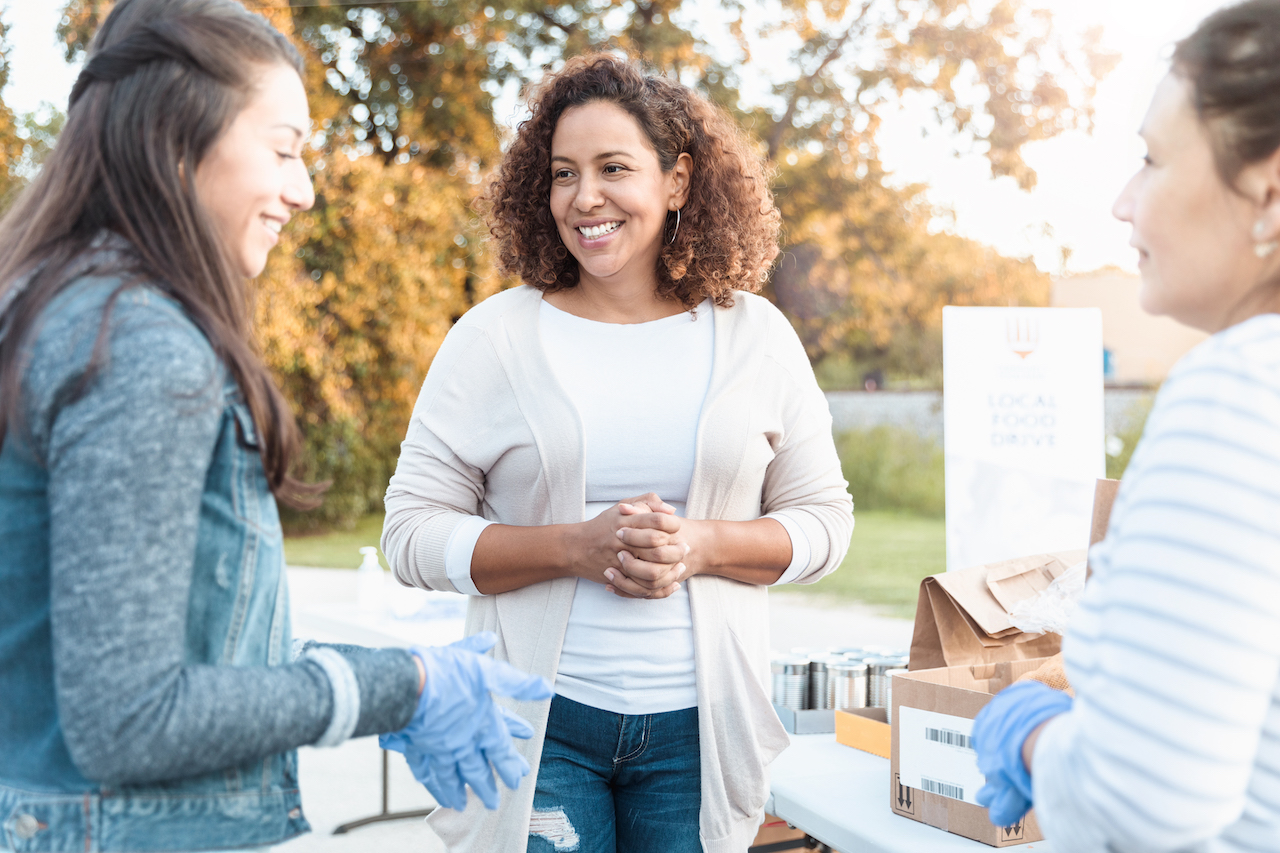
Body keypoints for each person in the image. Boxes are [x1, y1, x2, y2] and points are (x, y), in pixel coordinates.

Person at [0, 1, 549, 850]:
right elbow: (128, 715)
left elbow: (172, 635)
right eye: (285, 149)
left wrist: (374, 679)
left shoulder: (50, 307)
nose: (305, 190)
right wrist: (398, 684)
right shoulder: (138, 344)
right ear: (178, 138)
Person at [382, 54, 854, 852]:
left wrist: (699, 545)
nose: (584, 197)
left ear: (677, 181)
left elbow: (825, 524)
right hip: (540, 729)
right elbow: (410, 533)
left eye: (613, 168)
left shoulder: (755, 337)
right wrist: (573, 547)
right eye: (564, 173)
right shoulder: (494, 339)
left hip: (699, 738)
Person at [971, 2, 1280, 850]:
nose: (1120, 203)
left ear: (1269, 192)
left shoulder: (1238, 393)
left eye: (1151, 160)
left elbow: (1141, 799)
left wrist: (1030, 734)